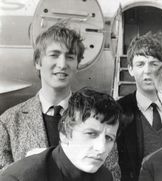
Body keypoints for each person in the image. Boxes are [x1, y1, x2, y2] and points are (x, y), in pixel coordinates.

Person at [0, 22, 121, 181]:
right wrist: (35, 163)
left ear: (77, 64)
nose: (62, 64)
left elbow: (112, 174)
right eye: (54, 55)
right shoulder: (8, 121)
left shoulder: (98, 118)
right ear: (38, 62)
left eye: (70, 57)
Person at [0, 88, 121, 181]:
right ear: (65, 134)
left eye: (109, 138)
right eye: (91, 134)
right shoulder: (19, 178)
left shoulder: (103, 177)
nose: (101, 148)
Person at [117, 33, 162, 181]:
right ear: (130, 69)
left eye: (154, 64)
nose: (147, 71)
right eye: (140, 64)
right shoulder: (119, 110)